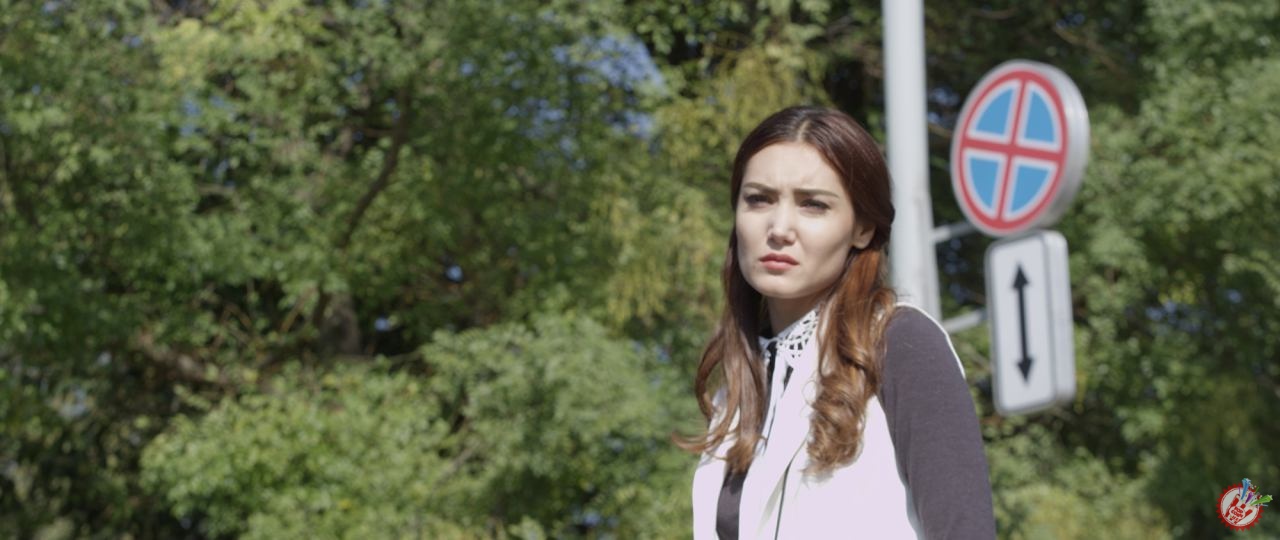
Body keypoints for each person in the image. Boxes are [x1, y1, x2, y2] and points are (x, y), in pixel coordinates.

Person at [680, 106, 995, 539]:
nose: (779, 228)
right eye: (759, 199)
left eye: (813, 204)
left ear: (862, 228)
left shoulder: (901, 343)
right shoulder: (734, 391)